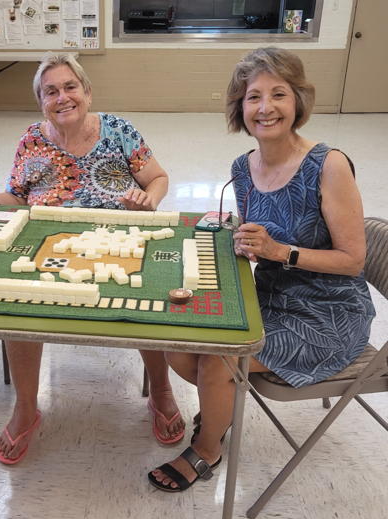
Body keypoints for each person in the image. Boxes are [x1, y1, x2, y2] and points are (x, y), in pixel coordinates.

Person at [148, 46, 375, 492]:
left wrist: (278, 251)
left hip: (328, 313)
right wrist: (248, 245)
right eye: (254, 96)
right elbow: (257, 243)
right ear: (240, 106)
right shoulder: (243, 167)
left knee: (216, 358)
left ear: (298, 102)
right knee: (175, 341)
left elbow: (353, 261)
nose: (266, 108)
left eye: (279, 94)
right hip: (267, 296)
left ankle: (208, 447)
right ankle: (220, 404)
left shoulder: (328, 165)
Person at [0, 52, 185, 464]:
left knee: (150, 298)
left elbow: (157, 178)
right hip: (50, 239)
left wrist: (147, 199)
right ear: (40, 101)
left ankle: (161, 388)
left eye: (70, 87)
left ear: (87, 92)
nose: (62, 97)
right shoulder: (32, 138)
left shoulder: (118, 130)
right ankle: (27, 407)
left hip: (117, 236)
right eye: (51, 91)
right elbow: (20, 196)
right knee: (16, 301)